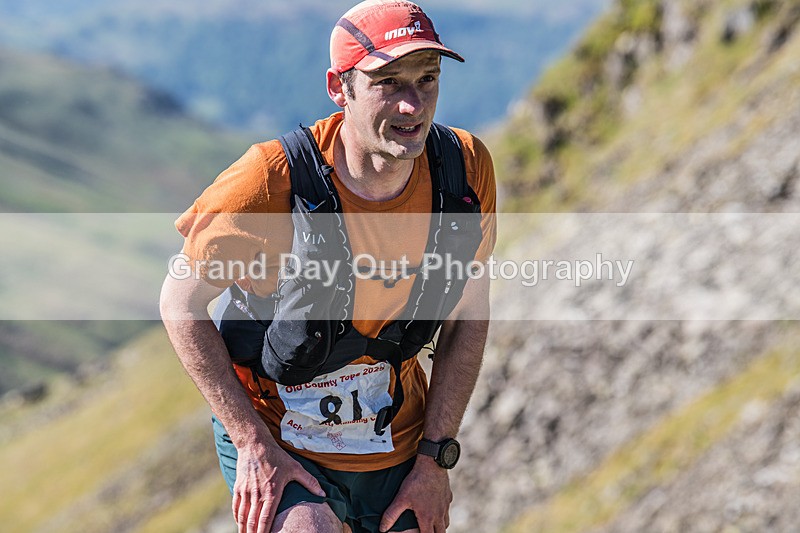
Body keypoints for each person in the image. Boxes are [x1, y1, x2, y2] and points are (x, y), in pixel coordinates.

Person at [160, 1, 496, 531]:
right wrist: (251, 443)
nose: (413, 105)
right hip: (276, 432)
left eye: (427, 80)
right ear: (340, 87)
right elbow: (180, 301)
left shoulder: (463, 171)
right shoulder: (269, 180)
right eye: (389, 82)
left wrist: (435, 461)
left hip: (397, 441)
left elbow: (469, 314)